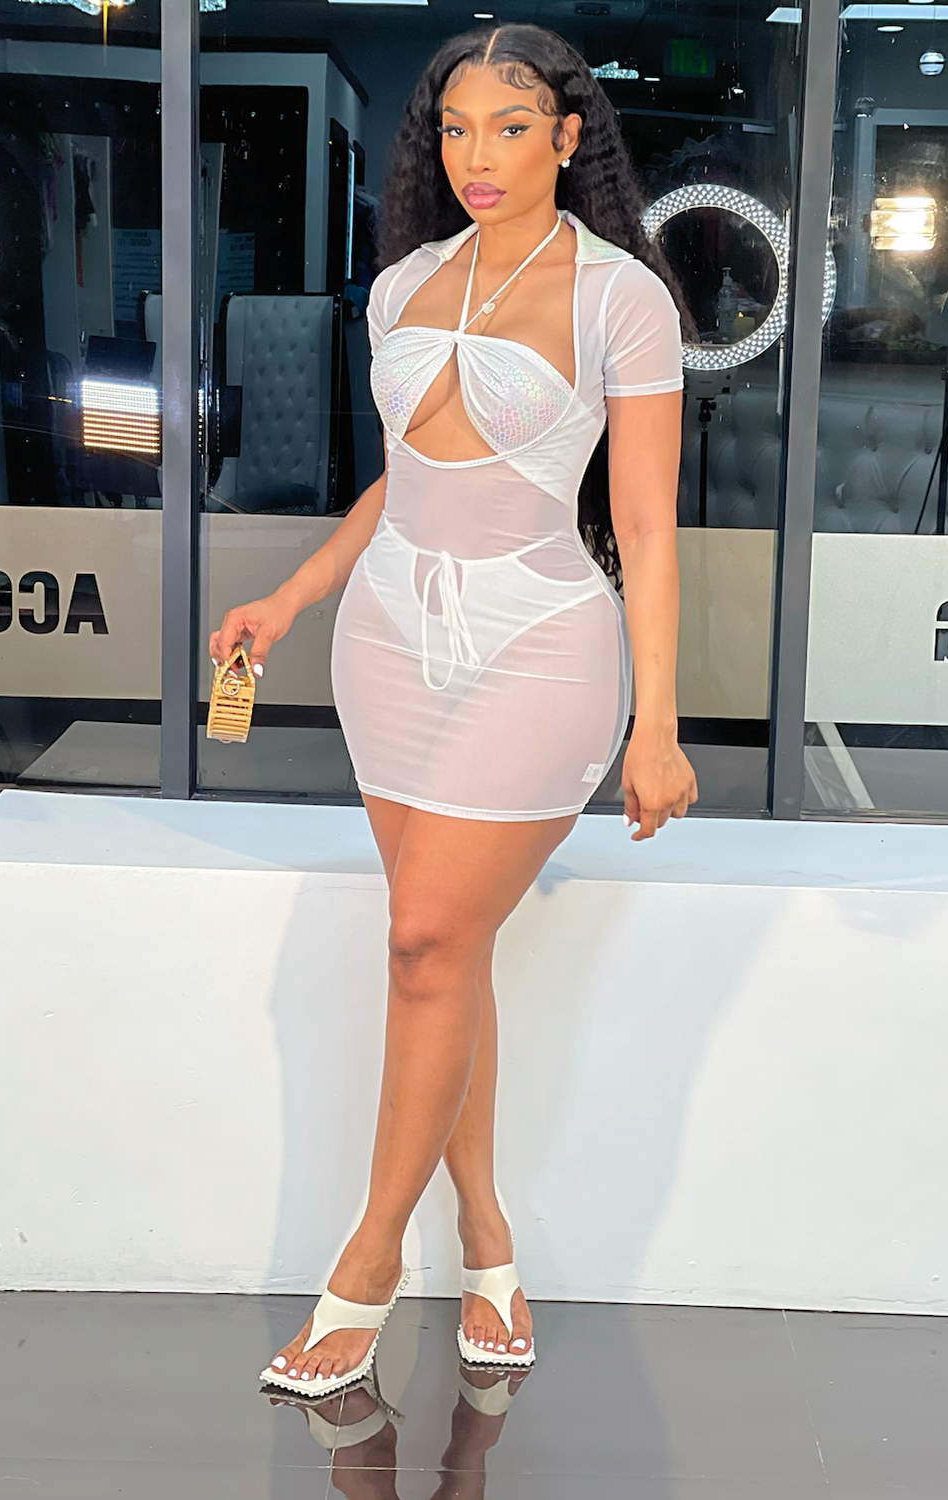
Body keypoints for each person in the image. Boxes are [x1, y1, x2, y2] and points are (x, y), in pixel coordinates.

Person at [209, 22, 698, 1399]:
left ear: (569, 136)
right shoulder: (406, 282)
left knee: (423, 936)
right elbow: (403, 482)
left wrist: (660, 725)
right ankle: (487, 1237)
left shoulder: (622, 301)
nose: (479, 155)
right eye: (456, 128)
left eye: (511, 126)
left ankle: (366, 1263)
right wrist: (293, 597)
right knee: (450, 955)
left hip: (539, 646)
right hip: (386, 644)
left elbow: (646, 525)